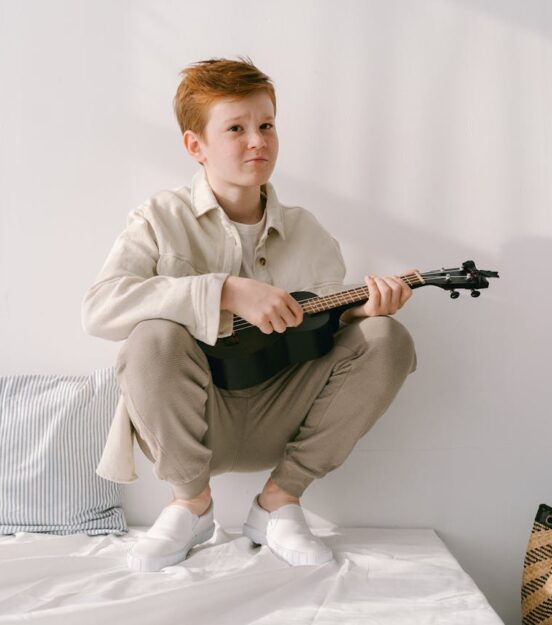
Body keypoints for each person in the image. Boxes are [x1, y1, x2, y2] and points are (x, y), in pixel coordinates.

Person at [81, 56, 417, 572]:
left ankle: (279, 504)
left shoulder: (308, 231)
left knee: (387, 337)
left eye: (266, 125)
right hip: (194, 417)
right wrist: (224, 293)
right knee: (151, 337)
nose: (257, 141)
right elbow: (100, 310)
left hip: (282, 411)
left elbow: (328, 333)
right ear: (196, 145)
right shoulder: (157, 219)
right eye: (235, 128)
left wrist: (361, 314)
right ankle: (191, 505)